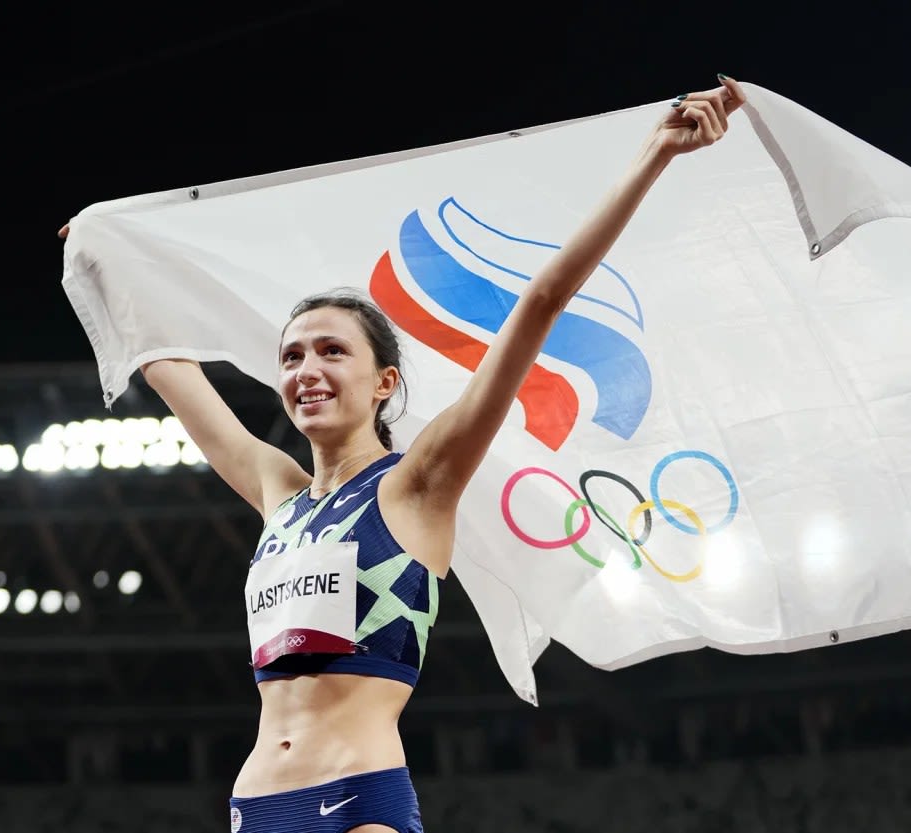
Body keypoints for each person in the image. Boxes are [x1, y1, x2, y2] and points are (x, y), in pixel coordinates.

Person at [59, 75, 746, 833]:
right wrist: (104, 256)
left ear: (384, 380)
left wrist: (653, 158)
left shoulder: (419, 483)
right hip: (256, 805)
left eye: (329, 350)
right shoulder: (278, 491)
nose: (304, 369)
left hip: (358, 798)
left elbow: (542, 301)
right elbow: (168, 367)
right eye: (290, 356)